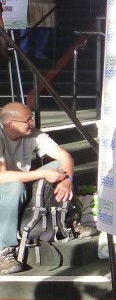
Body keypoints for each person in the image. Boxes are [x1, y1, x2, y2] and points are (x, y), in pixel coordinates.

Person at [0, 102, 76, 274]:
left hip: (20, 181)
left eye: (32, 118)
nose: (32, 123)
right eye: (27, 120)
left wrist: (67, 179)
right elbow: (2, 176)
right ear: (10, 124)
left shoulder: (33, 134)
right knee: (15, 187)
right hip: (6, 185)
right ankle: (3, 250)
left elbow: (65, 156)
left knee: (60, 168)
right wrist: (43, 174)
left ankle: (69, 217)